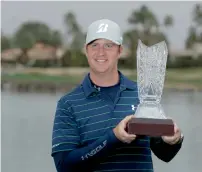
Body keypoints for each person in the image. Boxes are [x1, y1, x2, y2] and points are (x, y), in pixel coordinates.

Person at [51, 19, 184, 172]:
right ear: (86, 50)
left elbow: (165, 154)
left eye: (109, 45)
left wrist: (173, 140)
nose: (101, 52)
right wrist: (113, 138)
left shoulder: (142, 94)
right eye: (95, 45)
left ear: (119, 50)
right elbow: (64, 166)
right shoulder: (68, 103)